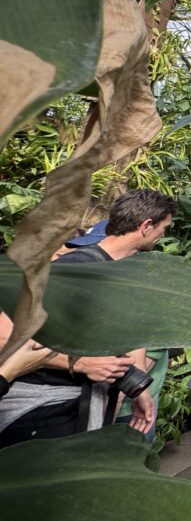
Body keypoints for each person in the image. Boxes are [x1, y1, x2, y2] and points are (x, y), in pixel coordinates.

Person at [0, 190, 175, 447]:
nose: (163, 234)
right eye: (164, 227)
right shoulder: (75, 268)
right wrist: (81, 364)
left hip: (76, 410)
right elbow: (5, 335)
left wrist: (138, 390)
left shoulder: (118, 274)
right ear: (146, 226)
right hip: (38, 413)